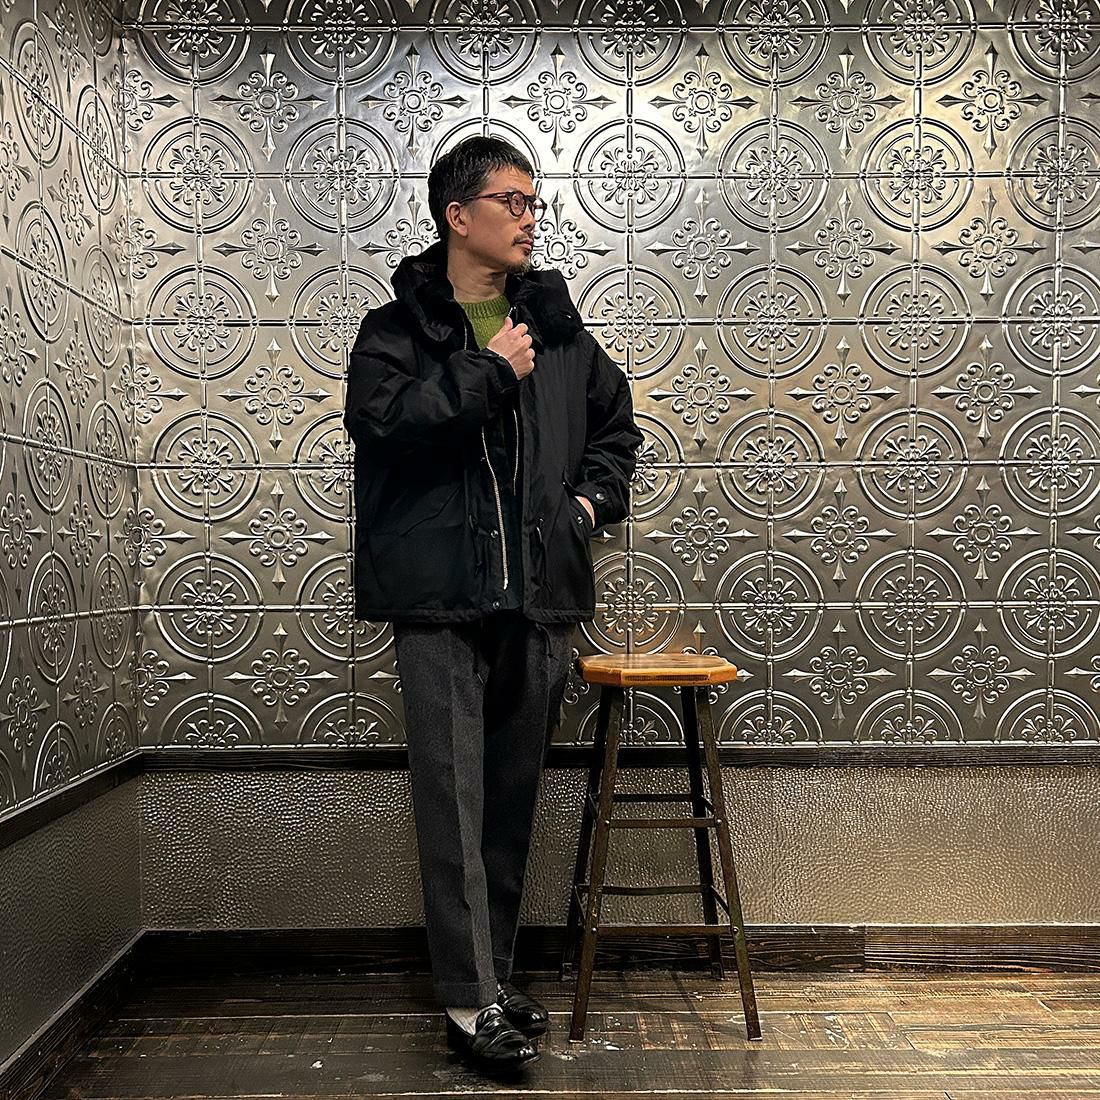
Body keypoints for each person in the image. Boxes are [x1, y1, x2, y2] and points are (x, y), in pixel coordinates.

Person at [342, 135, 643, 1075]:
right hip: (438, 602)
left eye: (533, 201)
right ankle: (468, 1000)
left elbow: (617, 428)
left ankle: (495, 976)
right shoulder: (396, 329)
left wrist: (586, 507)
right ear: (457, 215)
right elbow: (380, 424)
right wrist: (490, 371)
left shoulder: (558, 330)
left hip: (540, 600)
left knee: (510, 802)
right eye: (512, 200)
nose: (530, 217)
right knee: (451, 801)